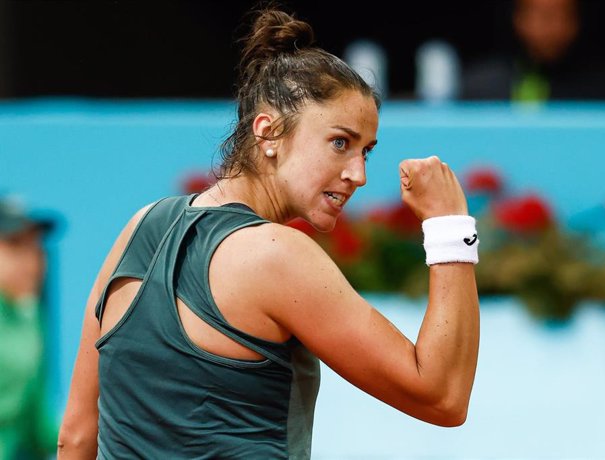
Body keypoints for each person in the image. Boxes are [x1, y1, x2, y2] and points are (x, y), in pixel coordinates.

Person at [58, 6, 480, 459]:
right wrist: (449, 226)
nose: (357, 173)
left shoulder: (138, 226)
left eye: (366, 152)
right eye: (340, 142)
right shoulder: (277, 256)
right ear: (268, 132)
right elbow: (441, 396)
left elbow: (77, 437)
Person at [462, 0, 605, 102]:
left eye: (564, 15)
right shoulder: (481, 86)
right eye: (545, 17)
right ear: (519, 18)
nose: (555, 27)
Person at [0, 197, 59, 459]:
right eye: (14, 244)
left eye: (36, 246)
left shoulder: (31, 319)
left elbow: (38, 428)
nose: (32, 258)